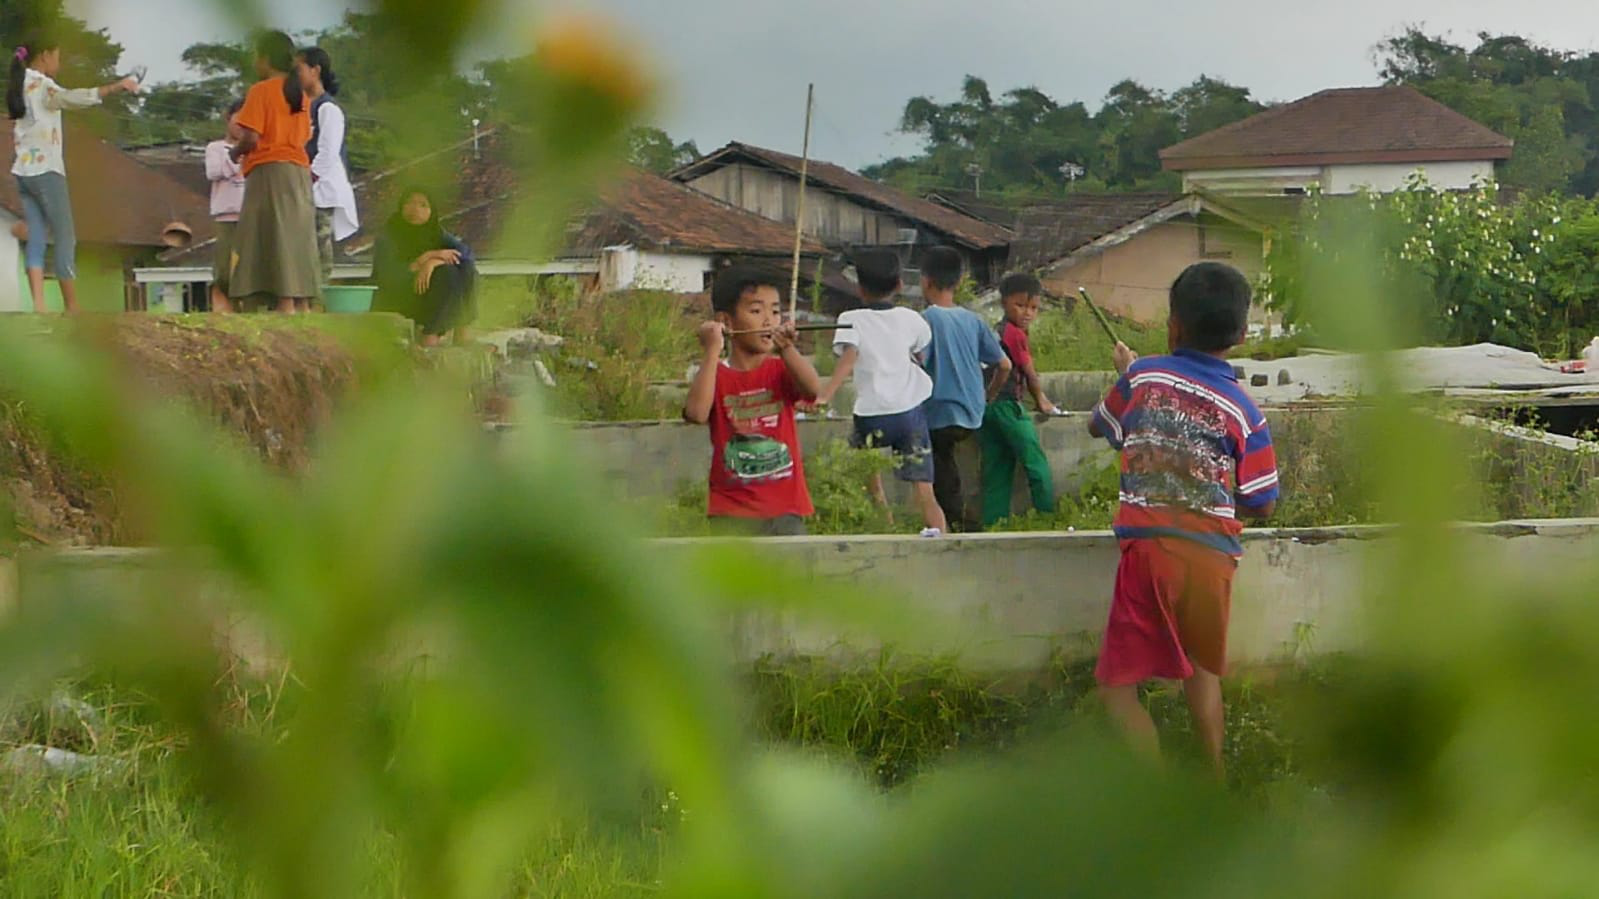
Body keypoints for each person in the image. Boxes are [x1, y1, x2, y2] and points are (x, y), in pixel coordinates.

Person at [1088, 262, 1279, 778]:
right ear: (1240, 336)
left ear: (1173, 325)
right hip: (1213, 556)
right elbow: (1262, 499)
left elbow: (1101, 426)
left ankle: (1157, 798)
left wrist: (1129, 371)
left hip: (1150, 552)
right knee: (1202, 669)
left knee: (1116, 688)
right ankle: (1213, 777)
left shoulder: (1143, 375)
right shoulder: (1244, 409)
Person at [683, 266, 823, 537]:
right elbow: (697, 413)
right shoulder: (716, 374)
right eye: (756, 311)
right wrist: (712, 349)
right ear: (727, 321)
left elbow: (813, 390)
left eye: (775, 311)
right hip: (732, 514)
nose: (768, 321)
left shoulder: (781, 369)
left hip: (785, 510)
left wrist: (788, 349)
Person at [816, 250, 947, 537]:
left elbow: (850, 355)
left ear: (859, 287)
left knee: (872, 484)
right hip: (909, 412)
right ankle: (941, 543)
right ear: (900, 284)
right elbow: (920, 352)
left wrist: (826, 393)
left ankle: (886, 534)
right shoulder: (912, 319)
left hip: (871, 415)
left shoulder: (850, 318)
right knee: (925, 489)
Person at [7, 33, 139, 313]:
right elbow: (72, 99)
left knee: (38, 236)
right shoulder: (42, 85)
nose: (59, 62)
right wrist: (116, 87)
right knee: (66, 236)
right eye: (57, 56)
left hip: (23, 170)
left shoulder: (20, 84)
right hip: (47, 170)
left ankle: (40, 305)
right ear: (44, 55)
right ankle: (72, 305)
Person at [919, 246, 1011, 532]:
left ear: (925, 280)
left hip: (941, 410)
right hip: (973, 411)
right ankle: (958, 519)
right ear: (959, 282)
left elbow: (917, 362)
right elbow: (1004, 365)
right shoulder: (973, 319)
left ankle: (959, 522)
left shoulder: (926, 319)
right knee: (947, 461)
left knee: (938, 465)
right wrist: (987, 396)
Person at [229, 30, 318, 315]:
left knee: (271, 234)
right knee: (297, 234)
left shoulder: (261, 91)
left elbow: (252, 137)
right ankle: (302, 302)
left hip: (269, 170)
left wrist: (235, 152)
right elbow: (304, 135)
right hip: (299, 170)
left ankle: (283, 302)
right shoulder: (299, 94)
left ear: (265, 58)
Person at [979, 274, 1058, 528]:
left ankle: (994, 525)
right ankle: (1049, 519)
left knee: (998, 469)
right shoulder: (1014, 334)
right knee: (1036, 464)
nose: (1028, 313)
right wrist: (1042, 400)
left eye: (1033, 307)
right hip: (1008, 407)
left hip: (987, 409)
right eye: (1021, 305)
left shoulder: (997, 331)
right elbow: (1028, 371)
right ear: (1004, 303)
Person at [370, 188, 477, 346]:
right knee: (446, 273)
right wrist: (422, 260)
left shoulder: (436, 234)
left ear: (431, 211)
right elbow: (389, 277)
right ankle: (430, 336)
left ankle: (462, 332)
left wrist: (433, 262)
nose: (415, 209)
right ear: (401, 207)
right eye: (410, 203)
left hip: (429, 299)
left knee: (465, 269)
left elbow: (466, 256)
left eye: (423, 205)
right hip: (400, 298)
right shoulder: (389, 236)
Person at [296, 47, 359, 282]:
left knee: (318, 242)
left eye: (299, 69)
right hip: (303, 185)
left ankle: (318, 293)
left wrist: (308, 178)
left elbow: (328, 152)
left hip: (320, 187)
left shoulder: (327, 108)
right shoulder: (300, 107)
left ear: (315, 70)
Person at [204, 99, 246, 313]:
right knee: (223, 270)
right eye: (239, 117)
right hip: (225, 216)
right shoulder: (215, 148)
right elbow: (213, 172)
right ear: (228, 118)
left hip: (250, 217)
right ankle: (222, 309)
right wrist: (238, 153)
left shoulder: (257, 148)